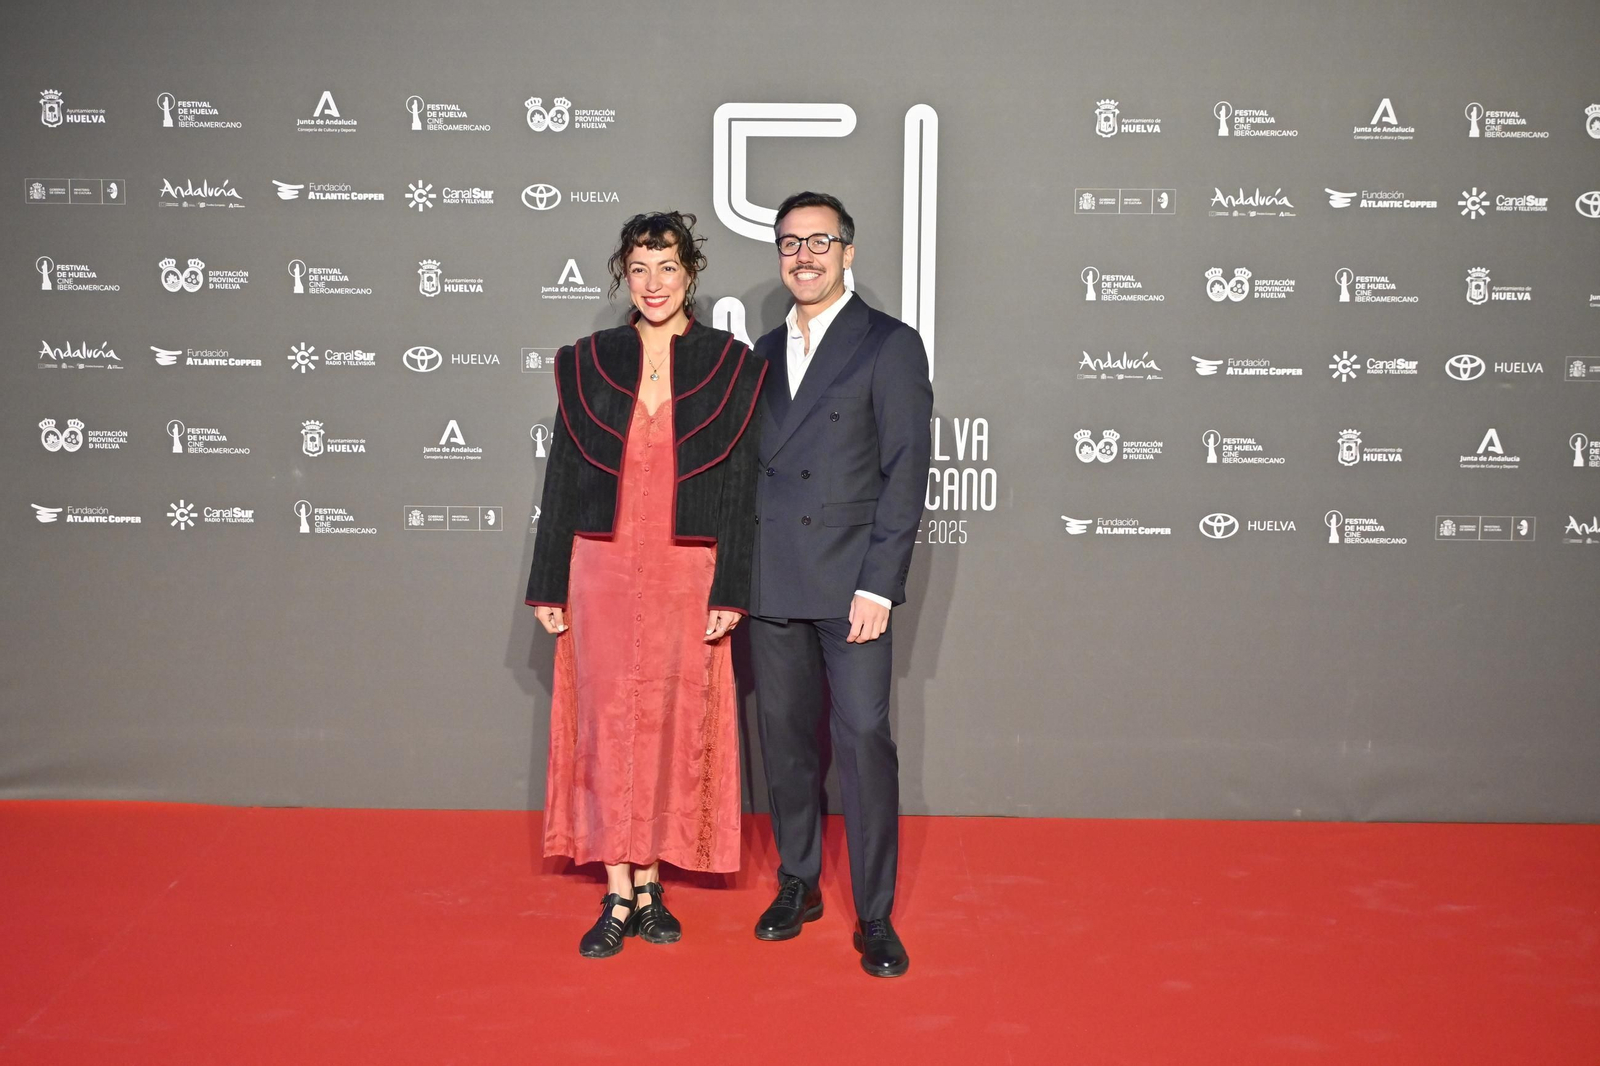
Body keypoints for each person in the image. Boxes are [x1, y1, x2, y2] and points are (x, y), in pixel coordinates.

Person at [524, 212, 767, 958]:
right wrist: (547, 585)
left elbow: (739, 484)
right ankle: (618, 889)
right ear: (622, 276)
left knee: (667, 717)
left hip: (683, 568)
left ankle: (652, 882)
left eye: (667, 268)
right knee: (606, 718)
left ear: (691, 272)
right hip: (599, 564)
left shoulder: (731, 363)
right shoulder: (589, 361)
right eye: (639, 269)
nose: (654, 284)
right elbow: (564, 473)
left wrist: (730, 587)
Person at [747, 192, 933, 977]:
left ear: (848, 252)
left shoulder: (888, 344)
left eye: (820, 241)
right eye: (790, 243)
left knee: (862, 742)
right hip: (772, 579)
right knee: (786, 745)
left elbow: (905, 471)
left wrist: (879, 586)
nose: (805, 256)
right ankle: (797, 880)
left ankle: (877, 912)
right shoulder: (759, 352)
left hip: (853, 585)